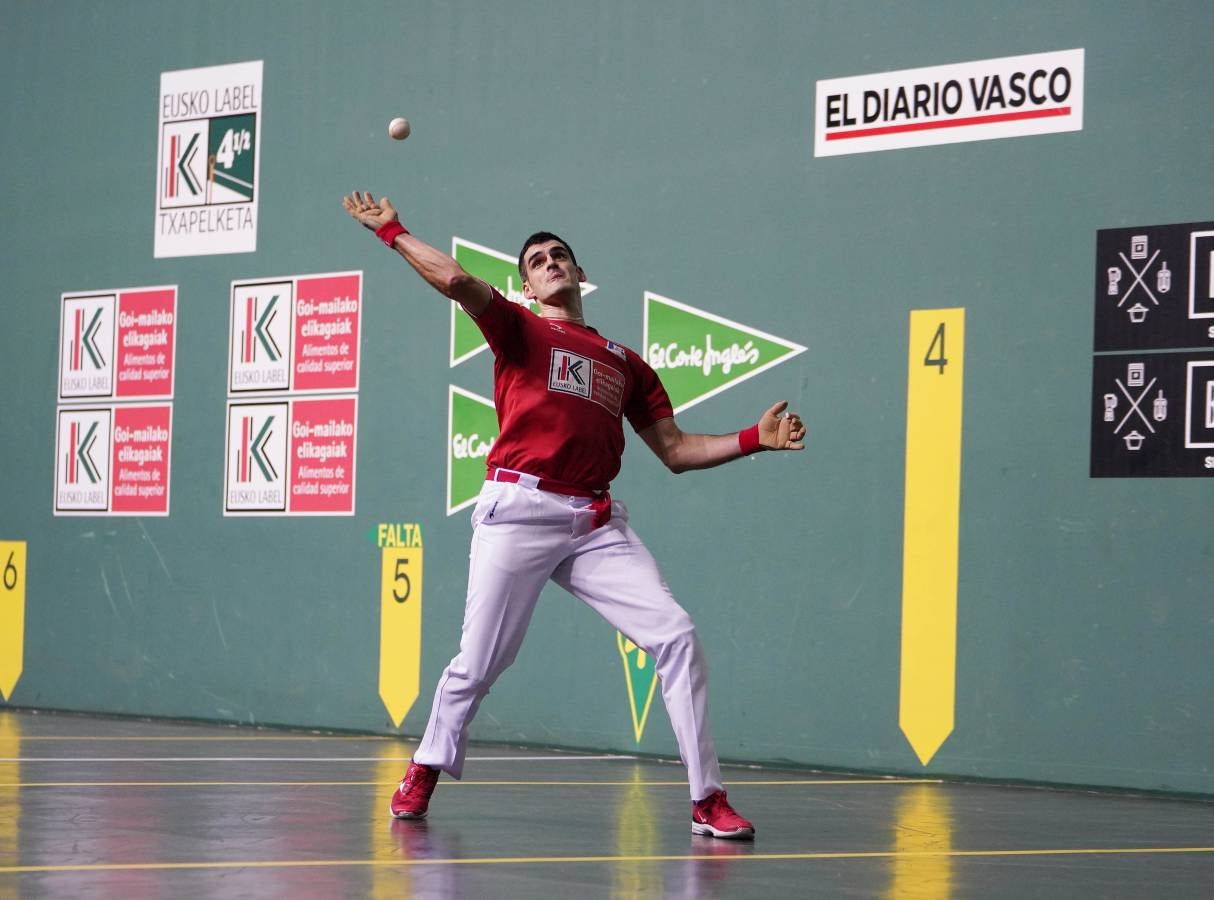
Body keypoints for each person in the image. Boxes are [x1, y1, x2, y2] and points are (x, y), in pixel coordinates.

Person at [343, 191, 806, 840]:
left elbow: (675, 450)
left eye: (560, 254)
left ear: (580, 273)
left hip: (593, 522)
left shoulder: (626, 363)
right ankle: (426, 765)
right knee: (480, 663)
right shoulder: (519, 329)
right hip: (518, 511)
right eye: (537, 260)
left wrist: (754, 438)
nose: (552, 261)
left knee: (675, 634)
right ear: (526, 285)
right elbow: (454, 280)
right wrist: (391, 230)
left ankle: (708, 800)